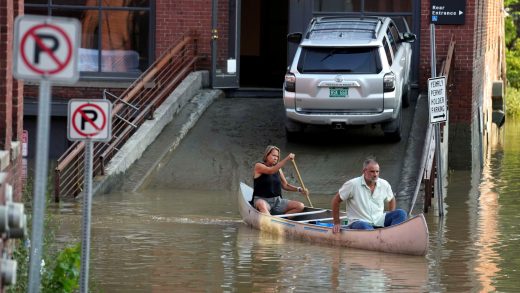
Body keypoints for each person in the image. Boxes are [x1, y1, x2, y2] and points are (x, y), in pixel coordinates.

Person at [331, 158, 407, 233]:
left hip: (379, 220)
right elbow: (336, 201)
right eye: (372, 172)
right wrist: (336, 223)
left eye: (377, 171)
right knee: (365, 226)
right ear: (364, 171)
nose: (375, 174)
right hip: (359, 222)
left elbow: (391, 199)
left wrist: (391, 214)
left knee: (401, 213)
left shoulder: (384, 184)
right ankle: (380, 236)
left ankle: (392, 234)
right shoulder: (352, 184)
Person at [252, 145, 307, 215]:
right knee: (261, 204)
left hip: (277, 201)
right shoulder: (258, 166)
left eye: (277, 156)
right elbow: (271, 171)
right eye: (274, 155)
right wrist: (287, 158)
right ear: (266, 155)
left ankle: (283, 221)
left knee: (300, 206)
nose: (276, 158)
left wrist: (299, 189)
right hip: (262, 200)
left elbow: (285, 185)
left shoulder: (278, 169)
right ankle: (269, 222)